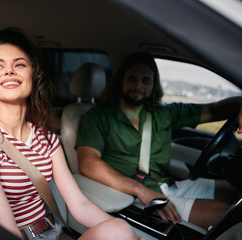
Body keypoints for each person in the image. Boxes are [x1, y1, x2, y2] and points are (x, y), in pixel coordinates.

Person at [0, 28, 137, 240]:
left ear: (33, 75)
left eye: (20, 64)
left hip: (53, 232)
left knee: (120, 228)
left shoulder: (48, 139)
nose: (9, 71)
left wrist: (131, 236)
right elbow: (6, 232)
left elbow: (79, 205)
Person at [76, 52, 242, 229]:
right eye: (132, 79)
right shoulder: (97, 117)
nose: (138, 85)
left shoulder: (164, 114)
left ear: (154, 84)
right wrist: (142, 191)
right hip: (132, 194)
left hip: (167, 184)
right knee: (224, 215)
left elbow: (216, 110)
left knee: (235, 193)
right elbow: (88, 163)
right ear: (121, 81)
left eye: (146, 80)